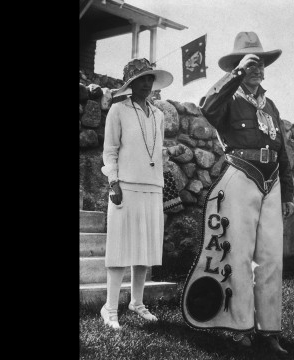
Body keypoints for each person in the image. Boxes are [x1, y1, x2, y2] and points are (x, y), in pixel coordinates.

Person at [180, 32, 294, 354]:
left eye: (260, 64)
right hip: (241, 176)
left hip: (271, 182)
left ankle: (268, 330)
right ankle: (239, 326)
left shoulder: (270, 105)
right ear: (239, 67)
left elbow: (282, 152)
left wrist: (287, 194)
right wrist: (237, 74)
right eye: (251, 63)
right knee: (238, 256)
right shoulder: (228, 98)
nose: (258, 68)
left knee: (271, 260)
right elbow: (207, 107)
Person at [100, 58, 185, 330]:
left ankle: (137, 302)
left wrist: (168, 158)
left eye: (150, 79)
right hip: (125, 185)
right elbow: (110, 150)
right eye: (142, 79)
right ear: (131, 84)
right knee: (119, 248)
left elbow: (152, 152)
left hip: (152, 187)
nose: (147, 84)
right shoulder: (118, 110)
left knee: (144, 250)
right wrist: (113, 182)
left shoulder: (158, 115)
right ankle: (110, 308)